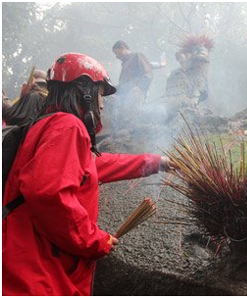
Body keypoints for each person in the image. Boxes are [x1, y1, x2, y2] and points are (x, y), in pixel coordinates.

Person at [2, 52, 176, 296]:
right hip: (37, 272)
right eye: (100, 94)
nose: (103, 104)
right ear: (83, 91)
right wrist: (94, 240)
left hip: (28, 259)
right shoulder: (68, 126)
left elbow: (95, 167)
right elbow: (49, 194)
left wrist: (157, 162)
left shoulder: (48, 124)